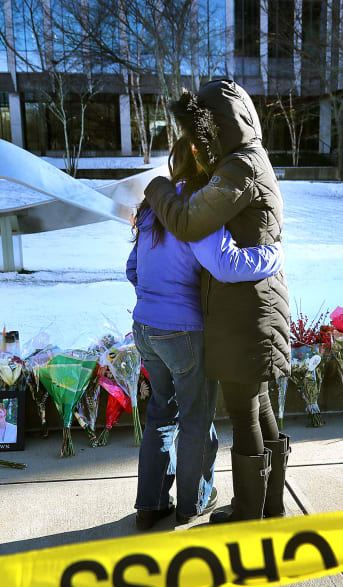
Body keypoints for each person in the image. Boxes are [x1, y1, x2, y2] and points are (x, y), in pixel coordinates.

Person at [144, 80, 292, 523]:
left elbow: (190, 221)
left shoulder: (238, 168)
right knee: (260, 404)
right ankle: (271, 503)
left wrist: (157, 190)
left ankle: (250, 510)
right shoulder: (252, 160)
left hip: (244, 313)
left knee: (246, 413)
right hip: (257, 307)